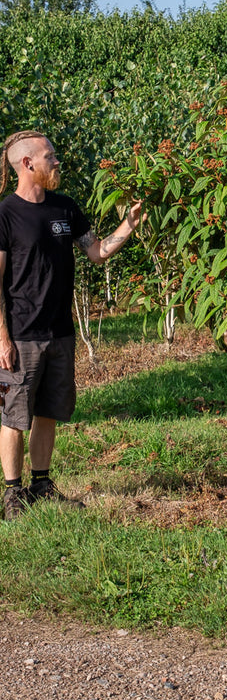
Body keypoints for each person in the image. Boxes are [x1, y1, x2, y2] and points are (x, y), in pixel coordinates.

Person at [0, 130, 144, 521]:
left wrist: (127, 228)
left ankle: (42, 485)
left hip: (60, 331)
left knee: (48, 410)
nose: (57, 161)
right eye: (50, 156)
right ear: (28, 164)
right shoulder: (5, 214)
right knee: (14, 416)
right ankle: (13, 495)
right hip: (21, 335)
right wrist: (2, 339)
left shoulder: (65, 208)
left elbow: (96, 252)